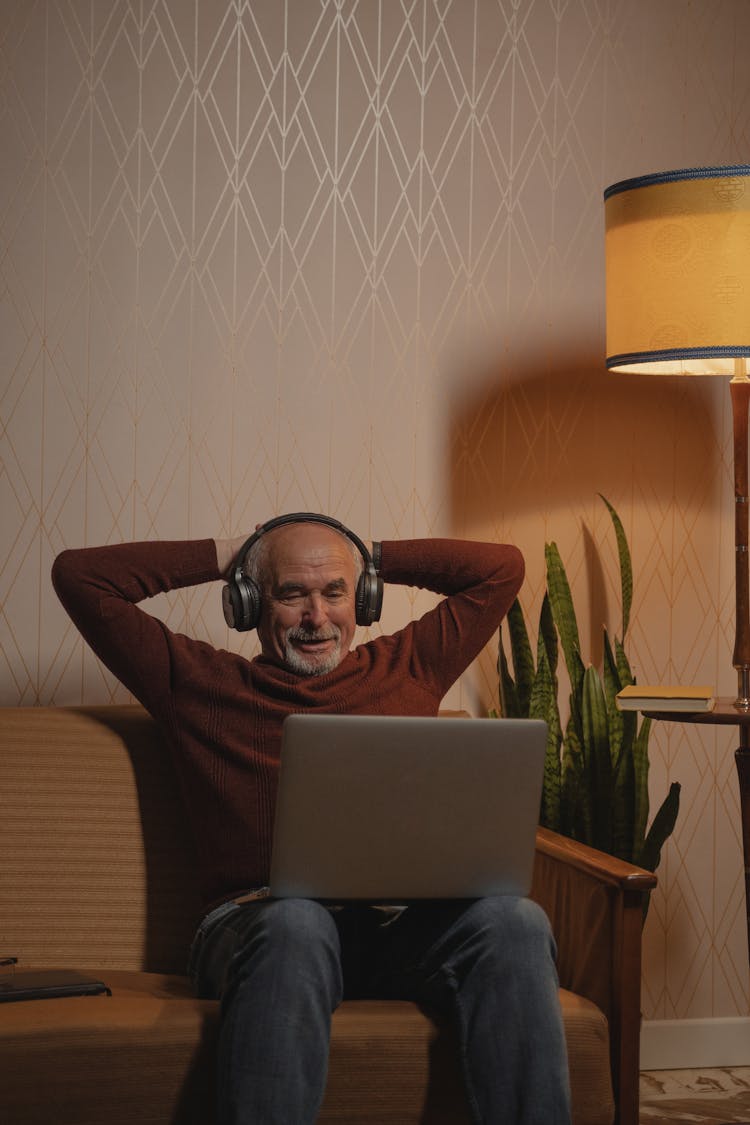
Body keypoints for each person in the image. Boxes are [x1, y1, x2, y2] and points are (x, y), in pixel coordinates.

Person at [52, 513, 571, 1125]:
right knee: (298, 923)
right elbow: (80, 577)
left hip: (391, 932)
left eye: (335, 593)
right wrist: (234, 552)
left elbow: (501, 569)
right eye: (292, 592)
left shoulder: (409, 667)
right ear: (249, 603)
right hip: (258, 930)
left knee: (515, 921)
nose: (317, 617)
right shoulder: (194, 682)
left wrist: (370, 554)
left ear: (364, 600)